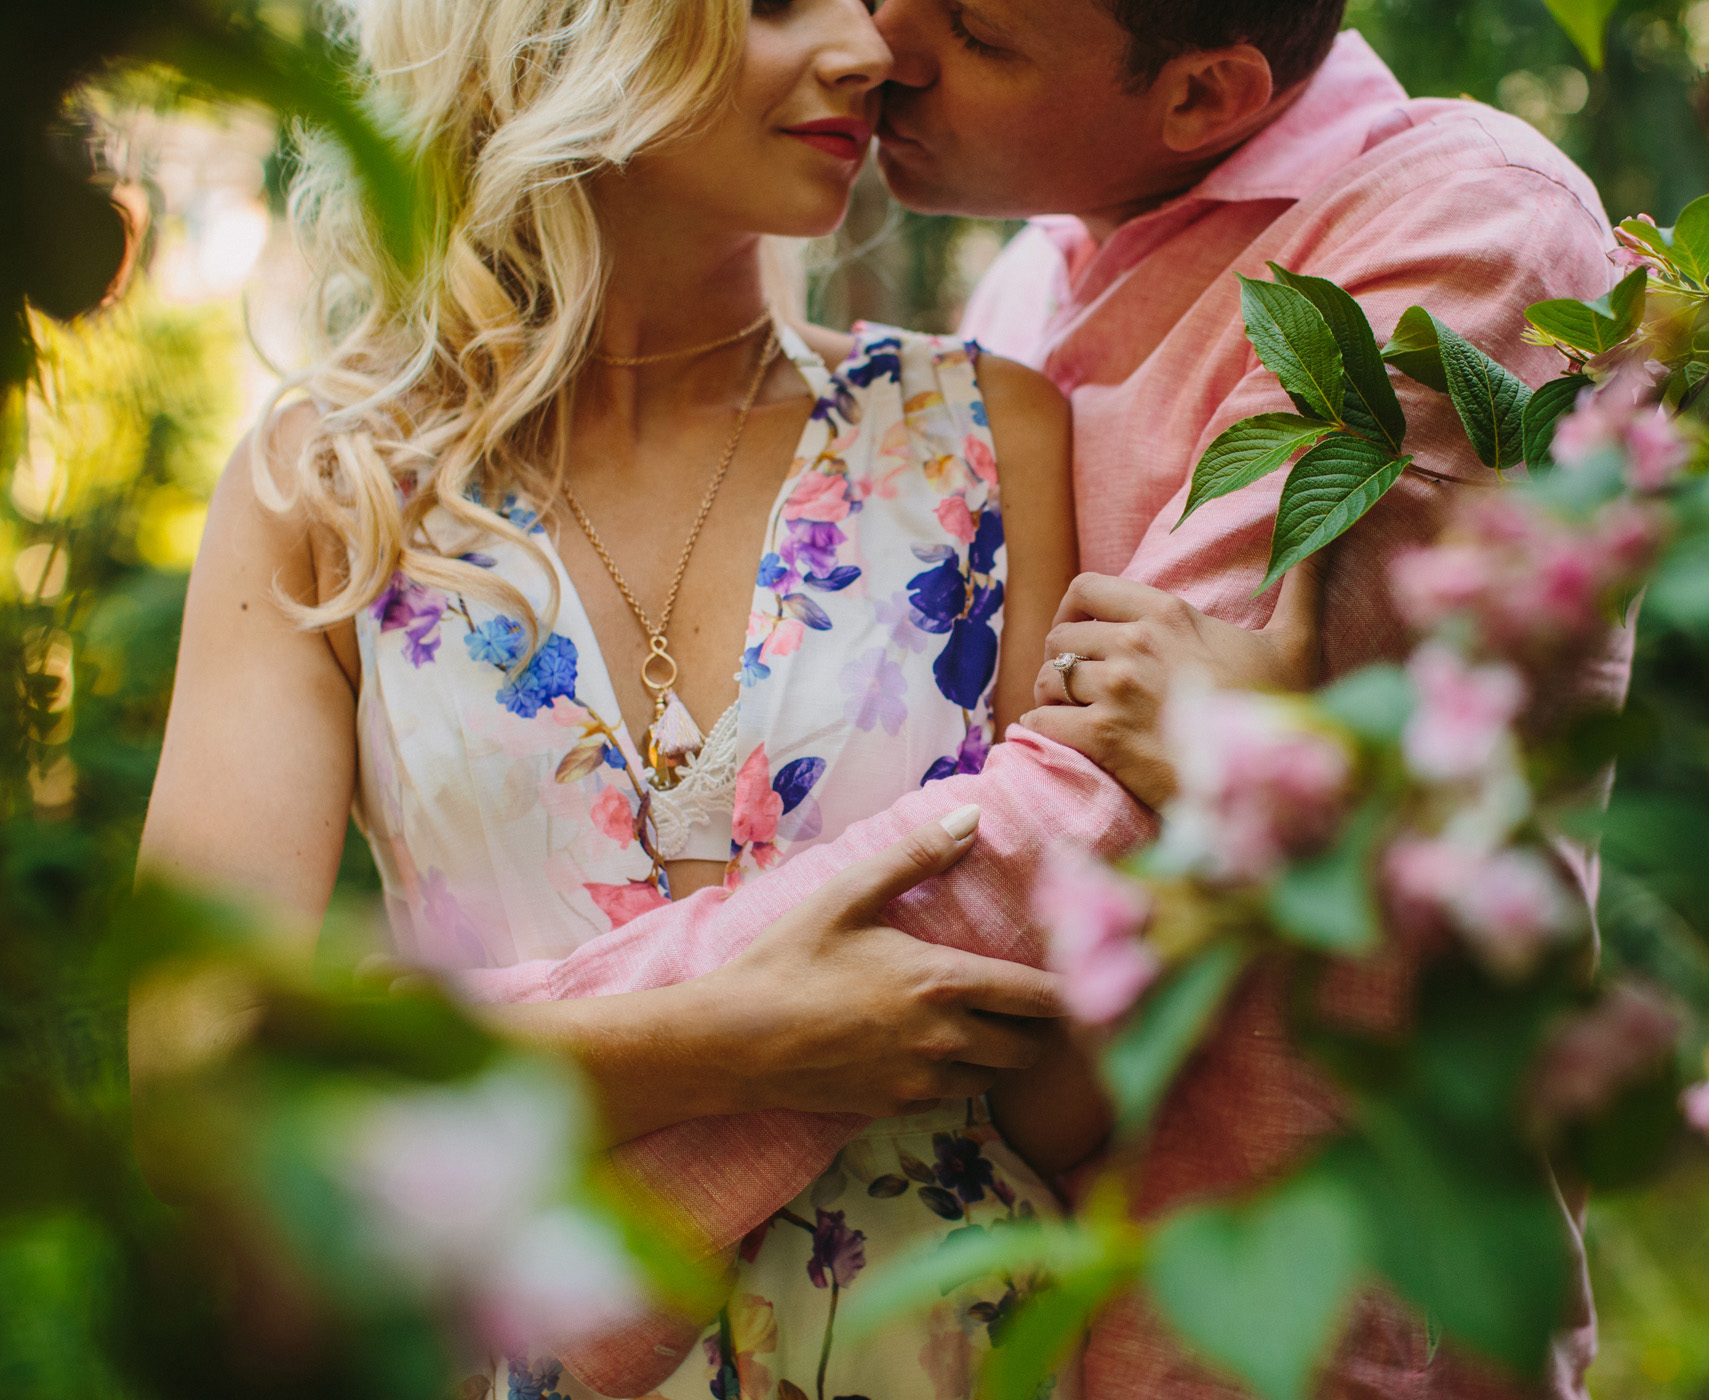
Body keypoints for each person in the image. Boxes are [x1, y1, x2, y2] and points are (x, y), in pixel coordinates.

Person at [460, 2, 1629, 1398]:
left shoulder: (1459, 226)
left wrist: (504, 1070)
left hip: (1325, 1316)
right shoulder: (1025, 290)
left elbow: (1050, 835)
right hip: (1017, 1310)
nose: (884, 45)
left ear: (1202, 95)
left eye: (976, 34)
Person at [132, 1, 1295, 1395]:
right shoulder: (330, 490)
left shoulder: (991, 432)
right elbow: (197, 1069)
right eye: (771, 5)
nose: (869, 51)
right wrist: (729, 1040)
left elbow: (1056, 1102)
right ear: (555, 33)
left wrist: (1211, 821)